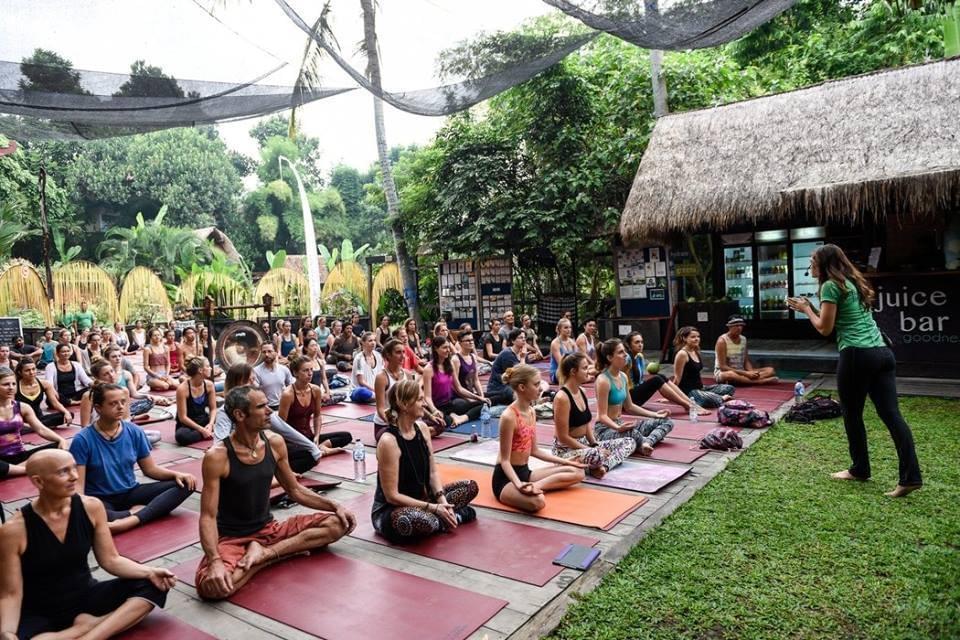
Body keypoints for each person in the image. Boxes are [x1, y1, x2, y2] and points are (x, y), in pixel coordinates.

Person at [195, 386, 356, 600]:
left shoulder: (275, 443)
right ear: (240, 415)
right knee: (211, 588)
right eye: (261, 407)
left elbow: (295, 490)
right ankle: (271, 554)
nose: (270, 411)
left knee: (338, 524)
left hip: (269, 530)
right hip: (231, 538)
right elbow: (208, 515)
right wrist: (214, 561)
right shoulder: (217, 457)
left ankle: (265, 554)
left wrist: (336, 506)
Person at [788, 244, 922, 497]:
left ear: (825, 264)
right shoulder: (853, 283)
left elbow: (824, 329)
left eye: (813, 261)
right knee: (892, 415)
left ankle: (860, 469)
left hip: (856, 354)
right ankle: (911, 477)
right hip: (882, 353)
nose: (810, 267)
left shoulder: (830, 286)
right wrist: (813, 309)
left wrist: (806, 309)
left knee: (852, 414)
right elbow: (839, 320)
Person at [0, 449, 176, 639]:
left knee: (154, 584)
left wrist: (149, 571)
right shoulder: (14, 530)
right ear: (38, 481)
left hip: (85, 595)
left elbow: (111, 560)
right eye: (63, 472)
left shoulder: (91, 507)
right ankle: (89, 626)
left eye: (74, 468)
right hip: (38, 609)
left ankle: (89, 635)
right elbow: (11, 593)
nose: (74, 477)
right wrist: (7, 632)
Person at [71, 383, 195, 534]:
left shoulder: (134, 431)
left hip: (131, 493)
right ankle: (139, 513)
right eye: (113, 403)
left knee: (187, 484)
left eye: (123, 402)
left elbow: (150, 470)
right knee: (88, 510)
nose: (120, 407)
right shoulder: (82, 439)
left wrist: (177, 474)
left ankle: (132, 519)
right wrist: (83, 506)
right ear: (98, 408)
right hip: (100, 499)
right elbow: (79, 489)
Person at [373, 380, 478, 541]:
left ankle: (446, 516)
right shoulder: (389, 441)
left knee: (470, 486)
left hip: (425, 499)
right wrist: (434, 508)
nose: (424, 404)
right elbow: (392, 496)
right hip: (395, 509)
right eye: (420, 400)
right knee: (415, 521)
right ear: (404, 405)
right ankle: (452, 518)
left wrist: (442, 503)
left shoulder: (422, 429)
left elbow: (432, 472)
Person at [493, 364, 585, 512]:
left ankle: (536, 486)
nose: (541, 388)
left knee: (578, 472)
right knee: (538, 502)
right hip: (506, 479)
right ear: (522, 388)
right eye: (536, 384)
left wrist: (566, 461)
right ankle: (529, 489)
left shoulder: (531, 412)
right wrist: (518, 484)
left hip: (525, 473)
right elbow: (504, 460)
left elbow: (535, 451)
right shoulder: (508, 417)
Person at [214, 364, 335, 473]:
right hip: (242, 461)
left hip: (263, 452)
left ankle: (275, 475)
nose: (254, 384)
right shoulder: (225, 412)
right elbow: (219, 445)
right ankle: (270, 476)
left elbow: (283, 428)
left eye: (253, 380)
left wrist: (312, 446)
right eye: (249, 381)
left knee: (306, 454)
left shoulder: (262, 407)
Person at [553, 353, 635, 477]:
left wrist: (594, 444)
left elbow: (586, 425)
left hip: (584, 444)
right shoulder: (562, 398)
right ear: (573, 372)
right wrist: (592, 450)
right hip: (566, 450)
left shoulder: (582, 391)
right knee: (597, 455)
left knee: (629, 442)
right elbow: (562, 437)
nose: (589, 372)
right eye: (585, 368)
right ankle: (590, 465)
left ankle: (603, 467)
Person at [594, 339, 674, 456]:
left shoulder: (623, 377)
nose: (626, 355)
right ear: (610, 357)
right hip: (605, 430)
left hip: (620, 424)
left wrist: (656, 415)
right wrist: (618, 428)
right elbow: (602, 416)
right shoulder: (603, 380)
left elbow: (630, 406)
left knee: (667, 421)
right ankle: (643, 443)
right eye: (621, 352)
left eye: (625, 351)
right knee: (633, 433)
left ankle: (645, 443)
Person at [624, 331, 707, 416]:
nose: (640, 344)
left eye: (641, 342)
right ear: (629, 345)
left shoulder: (639, 357)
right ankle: (689, 406)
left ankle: (691, 404)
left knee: (661, 376)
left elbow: (639, 381)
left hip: (636, 395)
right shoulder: (626, 359)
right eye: (637, 342)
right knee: (657, 380)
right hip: (627, 399)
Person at [279, 357, 352, 452]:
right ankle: (318, 451)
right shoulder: (288, 395)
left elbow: (317, 416)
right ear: (295, 373)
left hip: (309, 437)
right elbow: (281, 425)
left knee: (346, 436)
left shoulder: (315, 390)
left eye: (311, 370)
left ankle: (321, 447)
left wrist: (316, 437)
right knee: (303, 454)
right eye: (305, 370)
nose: (310, 373)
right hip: (293, 441)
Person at [1, 366, 69, 469]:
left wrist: (61, 440)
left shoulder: (23, 407)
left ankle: (16, 469)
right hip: (1, 460)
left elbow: (41, 429)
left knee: (58, 447)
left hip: (21, 456)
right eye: (6, 384)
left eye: (13, 384)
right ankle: (24, 469)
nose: (11, 387)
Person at [423, 336, 484, 427]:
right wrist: (434, 410)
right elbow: (427, 397)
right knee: (444, 423)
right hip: (438, 407)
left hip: (450, 404)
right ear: (436, 349)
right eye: (444, 348)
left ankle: (461, 418)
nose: (448, 350)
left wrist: (478, 398)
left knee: (483, 405)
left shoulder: (449, 364)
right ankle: (453, 417)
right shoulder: (429, 369)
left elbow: (459, 388)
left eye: (448, 347)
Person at [672, 327, 735, 408]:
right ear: (684, 338)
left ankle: (709, 395)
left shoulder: (695, 351)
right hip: (689, 391)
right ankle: (719, 398)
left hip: (701, 388)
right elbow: (677, 378)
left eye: (698, 337)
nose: (696, 339)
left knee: (729, 388)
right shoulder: (682, 354)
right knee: (710, 400)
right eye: (693, 337)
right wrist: (671, 395)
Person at [714, 316, 779, 386]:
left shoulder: (743, 339)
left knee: (770, 370)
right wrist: (745, 373)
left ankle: (743, 380)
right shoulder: (722, 341)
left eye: (741, 325)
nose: (739, 328)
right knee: (730, 375)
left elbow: (746, 361)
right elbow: (723, 367)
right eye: (736, 325)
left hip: (742, 371)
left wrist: (751, 373)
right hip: (726, 372)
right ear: (729, 326)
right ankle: (760, 381)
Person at [487, 329, 545, 406]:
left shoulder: (523, 353)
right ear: (513, 341)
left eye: (524, 338)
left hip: (513, 383)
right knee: (521, 390)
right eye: (520, 338)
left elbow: (528, 373)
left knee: (542, 383)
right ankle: (531, 402)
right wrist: (523, 358)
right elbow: (518, 377)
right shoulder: (507, 354)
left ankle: (535, 399)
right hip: (500, 385)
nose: (524, 340)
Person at [15, 357, 70, 428]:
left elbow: (55, 403)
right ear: (20, 372)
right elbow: (11, 410)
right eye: (27, 370)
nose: (31, 372)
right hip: (22, 420)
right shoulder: (14, 386)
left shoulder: (45, 384)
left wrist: (66, 412)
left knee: (68, 415)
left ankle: (36, 426)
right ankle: (38, 427)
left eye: (33, 369)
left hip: (39, 418)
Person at [175, 357, 217, 446]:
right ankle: (206, 433)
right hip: (187, 424)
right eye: (208, 366)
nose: (211, 368)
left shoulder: (209, 385)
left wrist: (210, 424)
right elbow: (183, 417)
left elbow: (213, 409)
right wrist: (202, 430)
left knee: (224, 419)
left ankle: (208, 431)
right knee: (181, 436)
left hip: (203, 419)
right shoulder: (182, 389)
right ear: (200, 370)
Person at [374, 339, 409, 438]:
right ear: (388, 355)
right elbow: (380, 409)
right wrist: (394, 424)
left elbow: (414, 401)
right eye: (398, 352)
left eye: (403, 352)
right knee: (398, 438)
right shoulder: (381, 377)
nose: (402, 356)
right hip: (386, 424)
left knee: (440, 424)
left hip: (404, 422)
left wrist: (432, 415)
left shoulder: (407, 374)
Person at [253, 342, 294, 411]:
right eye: (264, 352)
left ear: (276, 352)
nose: (266, 354)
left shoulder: (284, 369)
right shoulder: (255, 371)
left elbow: (291, 386)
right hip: (266, 407)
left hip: (283, 406)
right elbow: (255, 392)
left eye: (269, 351)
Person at [452, 330, 487, 404]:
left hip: (472, 394)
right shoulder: (456, 359)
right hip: (460, 397)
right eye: (467, 340)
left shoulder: (473, 357)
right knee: (478, 405)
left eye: (472, 340)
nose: (471, 342)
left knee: (498, 395)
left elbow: (476, 380)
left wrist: (482, 396)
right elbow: (456, 387)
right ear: (460, 343)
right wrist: (475, 399)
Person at [350, 332, 383, 404]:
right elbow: (361, 382)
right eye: (370, 341)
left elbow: (382, 374)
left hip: (375, 391)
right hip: (362, 390)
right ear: (363, 343)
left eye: (374, 340)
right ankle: (381, 397)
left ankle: (379, 396)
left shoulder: (378, 355)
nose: (373, 343)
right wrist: (375, 390)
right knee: (362, 391)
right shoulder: (359, 358)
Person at [550, 318, 578, 385]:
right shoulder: (555, 343)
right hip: (559, 371)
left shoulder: (572, 342)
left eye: (570, 327)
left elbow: (578, 358)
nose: (569, 330)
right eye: (566, 328)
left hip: (572, 369)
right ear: (559, 329)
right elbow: (561, 363)